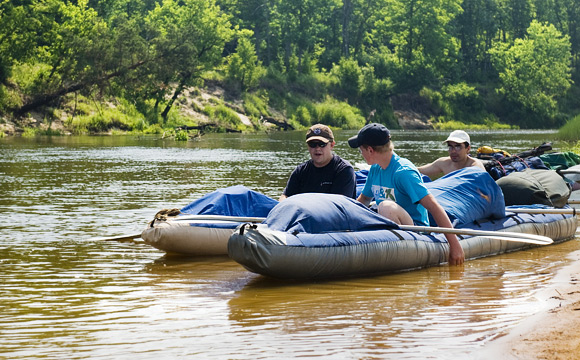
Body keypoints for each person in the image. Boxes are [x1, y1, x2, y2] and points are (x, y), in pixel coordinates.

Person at [348, 123, 464, 265]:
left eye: (361, 150)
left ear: (370, 150)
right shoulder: (375, 169)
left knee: (386, 206)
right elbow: (363, 200)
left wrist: (455, 245)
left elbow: (433, 206)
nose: (361, 154)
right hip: (390, 225)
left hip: (416, 231)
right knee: (379, 209)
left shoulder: (403, 172)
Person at [279, 124, 356, 201]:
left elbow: (340, 206)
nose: (317, 148)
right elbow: (285, 196)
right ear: (308, 146)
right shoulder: (300, 171)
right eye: (312, 144)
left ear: (332, 145)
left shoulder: (344, 170)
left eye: (322, 144)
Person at [418, 130, 485, 179]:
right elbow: (419, 171)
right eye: (450, 147)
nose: (453, 151)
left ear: (468, 149)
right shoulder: (444, 163)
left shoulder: (475, 166)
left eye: (458, 147)